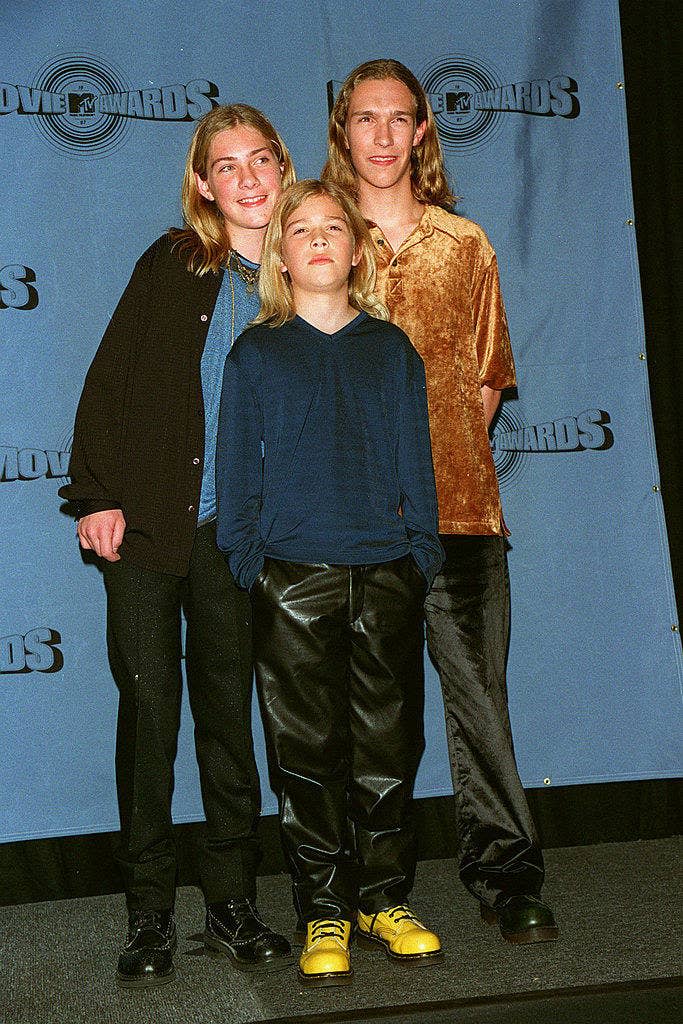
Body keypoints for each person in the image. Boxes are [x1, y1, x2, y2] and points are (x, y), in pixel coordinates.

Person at [59, 104, 297, 989]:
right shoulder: (171, 261)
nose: (246, 178)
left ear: (282, 167)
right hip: (150, 529)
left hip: (239, 544)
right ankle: (149, 913)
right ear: (202, 183)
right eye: (225, 165)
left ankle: (231, 903)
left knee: (230, 723)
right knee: (151, 718)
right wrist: (95, 495)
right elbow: (110, 376)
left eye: (259, 159)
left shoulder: (304, 273)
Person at [323, 59, 559, 945]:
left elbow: (486, 384)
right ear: (342, 129)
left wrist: (441, 470)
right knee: (361, 717)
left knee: (479, 705)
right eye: (365, 118)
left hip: (459, 520)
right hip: (350, 526)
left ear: (421, 131)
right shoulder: (316, 236)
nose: (381, 135)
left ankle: (507, 877)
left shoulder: (466, 245)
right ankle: (354, 890)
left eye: (399, 119)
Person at [216, 179, 445, 987]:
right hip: (290, 582)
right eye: (300, 228)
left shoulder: (389, 350)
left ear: (356, 248)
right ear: (279, 252)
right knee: (306, 758)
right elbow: (237, 469)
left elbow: (416, 464)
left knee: (388, 745)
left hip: (385, 574)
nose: (317, 240)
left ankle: (383, 898)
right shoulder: (255, 353)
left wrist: (420, 554)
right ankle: (322, 907)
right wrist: (251, 564)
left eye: (332, 228)